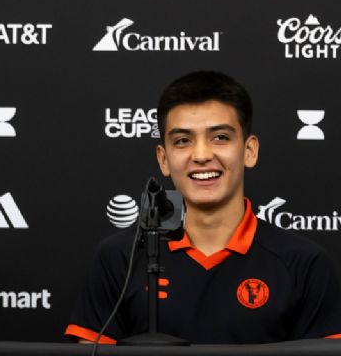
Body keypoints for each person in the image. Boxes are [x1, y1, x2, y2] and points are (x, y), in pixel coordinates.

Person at [66, 71, 341, 344]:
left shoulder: (305, 264)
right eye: (182, 141)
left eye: (220, 137)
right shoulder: (119, 258)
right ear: (163, 159)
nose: (201, 155)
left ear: (249, 151)